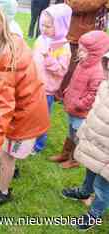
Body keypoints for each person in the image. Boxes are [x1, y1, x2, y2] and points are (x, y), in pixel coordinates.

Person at [0, 4, 49, 207]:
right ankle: (10, 167)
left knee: (5, 156)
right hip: (29, 106)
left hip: (24, 118)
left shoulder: (5, 68)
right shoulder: (11, 40)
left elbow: (0, 114)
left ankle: (3, 191)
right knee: (7, 152)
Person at [61, 52, 109, 231]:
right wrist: (85, 132)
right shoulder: (105, 85)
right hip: (97, 143)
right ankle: (84, 191)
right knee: (90, 171)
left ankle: (94, 214)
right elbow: (96, 111)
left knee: (103, 186)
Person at [50, 30, 109, 169]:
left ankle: (74, 159)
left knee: (77, 134)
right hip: (72, 107)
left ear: (95, 53)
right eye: (80, 50)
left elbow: (93, 94)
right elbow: (75, 80)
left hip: (80, 111)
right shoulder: (82, 63)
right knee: (70, 132)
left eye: (84, 51)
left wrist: (79, 104)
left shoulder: (97, 71)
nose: (79, 53)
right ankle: (65, 153)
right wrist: (67, 90)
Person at [32, 4, 72, 153]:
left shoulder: (63, 47)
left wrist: (48, 59)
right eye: (42, 24)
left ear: (61, 26)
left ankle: (38, 145)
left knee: (42, 118)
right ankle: (28, 138)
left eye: (48, 26)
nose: (44, 28)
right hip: (33, 84)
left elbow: (61, 70)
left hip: (47, 90)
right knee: (31, 114)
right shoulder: (42, 39)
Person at [56, 0, 107, 99]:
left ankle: (70, 93)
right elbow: (74, 4)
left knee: (85, 68)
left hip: (91, 35)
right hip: (76, 33)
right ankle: (61, 93)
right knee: (69, 65)